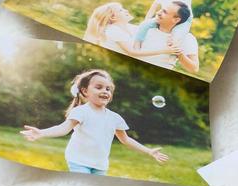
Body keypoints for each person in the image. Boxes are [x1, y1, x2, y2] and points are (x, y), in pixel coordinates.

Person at [20, 68, 169, 176]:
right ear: (85, 91)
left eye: (108, 89)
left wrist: (149, 151)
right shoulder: (81, 112)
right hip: (78, 160)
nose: (105, 91)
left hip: (100, 165)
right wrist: (42, 133)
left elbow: (125, 139)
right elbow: (63, 128)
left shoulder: (115, 118)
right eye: (99, 87)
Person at [135, 1, 201, 74]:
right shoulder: (146, 29)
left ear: (176, 20)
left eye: (164, 12)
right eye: (161, 10)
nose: (158, 13)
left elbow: (194, 69)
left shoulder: (187, 38)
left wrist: (179, 53)